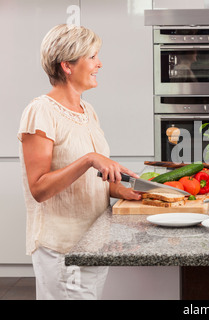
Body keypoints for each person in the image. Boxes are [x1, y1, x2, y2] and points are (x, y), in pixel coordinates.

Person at [17, 24, 142, 299]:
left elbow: (92, 180)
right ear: (67, 66)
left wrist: (126, 190)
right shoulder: (41, 111)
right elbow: (39, 188)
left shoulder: (87, 111)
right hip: (62, 246)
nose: (100, 63)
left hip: (92, 240)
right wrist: (89, 159)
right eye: (92, 56)